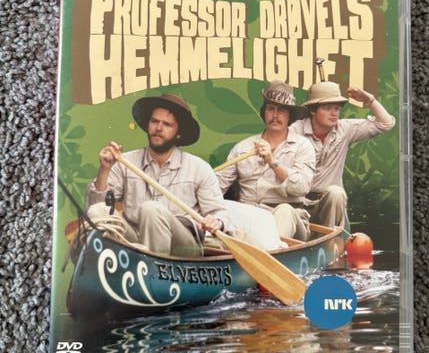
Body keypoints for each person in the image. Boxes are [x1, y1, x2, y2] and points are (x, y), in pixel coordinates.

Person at [85, 93, 231, 257]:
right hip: (137, 239)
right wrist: (104, 169)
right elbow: (96, 205)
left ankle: (150, 267)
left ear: (178, 133)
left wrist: (216, 221)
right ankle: (124, 262)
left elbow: (220, 213)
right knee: (98, 211)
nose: (159, 128)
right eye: (154, 121)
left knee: (151, 209)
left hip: (183, 248)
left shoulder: (199, 168)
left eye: (167, 124)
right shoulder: (125, 161)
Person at [217, 81, 315, 241]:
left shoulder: (302, 146)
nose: (275, 115)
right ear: (264, 113)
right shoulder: (243, 148)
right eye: (270, 109)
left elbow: (301, 187)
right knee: (221, 209)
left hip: (287, 217)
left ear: (289, 115)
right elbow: (217, 187)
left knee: (285, 210)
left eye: (281, 110)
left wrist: (272, 162)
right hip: (249, 217)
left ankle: (271, 250)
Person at [290, 81, 396, 228]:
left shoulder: (345, 129)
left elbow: (386, 123)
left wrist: (370, 100)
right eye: (327, 108)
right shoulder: (295, 131)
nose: (334, 113)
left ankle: (332, 238)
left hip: (331, 204)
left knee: (336, 193)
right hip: (298, 204)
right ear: (313, 110)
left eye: (337, 108)